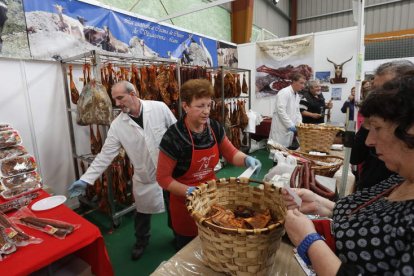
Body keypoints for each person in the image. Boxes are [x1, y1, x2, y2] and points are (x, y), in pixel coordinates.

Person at [282, 75, 414, 275]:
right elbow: (369, 221)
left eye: (377, 128)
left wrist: (308, 241)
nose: (369, 141)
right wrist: (322, 205)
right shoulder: (400, 178)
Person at [68, 80, 177, 260]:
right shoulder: (118, 125)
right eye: (115, 99)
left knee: (175, 207)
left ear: (133, 93)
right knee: (142, 213)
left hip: (170, 171)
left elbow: (176, 132)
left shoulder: (159, 108)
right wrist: (86, 179)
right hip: (145, 176)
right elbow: (105, 155)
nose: (117, 104)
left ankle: (178, 235)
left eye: (120, 98)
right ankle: (141, 241)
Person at [156, 79, 262, 250]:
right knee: (188, 249)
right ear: (185, 106)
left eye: (208, 105)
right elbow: (163, 178)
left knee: (213, 245)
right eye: (200, 106)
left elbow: (231, 153)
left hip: (211, 198)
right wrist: (189, 191)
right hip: (185, 204)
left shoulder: (214, 128)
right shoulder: (173, 137)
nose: (206, 111)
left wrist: (246, 160)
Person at [351, 60, 414, 191]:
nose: (377, 96)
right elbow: (355, 156)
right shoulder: (373, 121)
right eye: (374, 90)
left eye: (386, 89)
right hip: (368, 186)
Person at [269, 73, 305, 148]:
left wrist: (300, 124)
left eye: (304, 83)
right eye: (301, 83)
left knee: (285, 151)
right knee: (277, 150)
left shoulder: (297, 95)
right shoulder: (284, 92)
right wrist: (290, 125)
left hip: (289, 129)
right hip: (281, 127)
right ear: (294, 82)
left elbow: (297, 111)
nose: (303, 86)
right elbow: (281, 111)